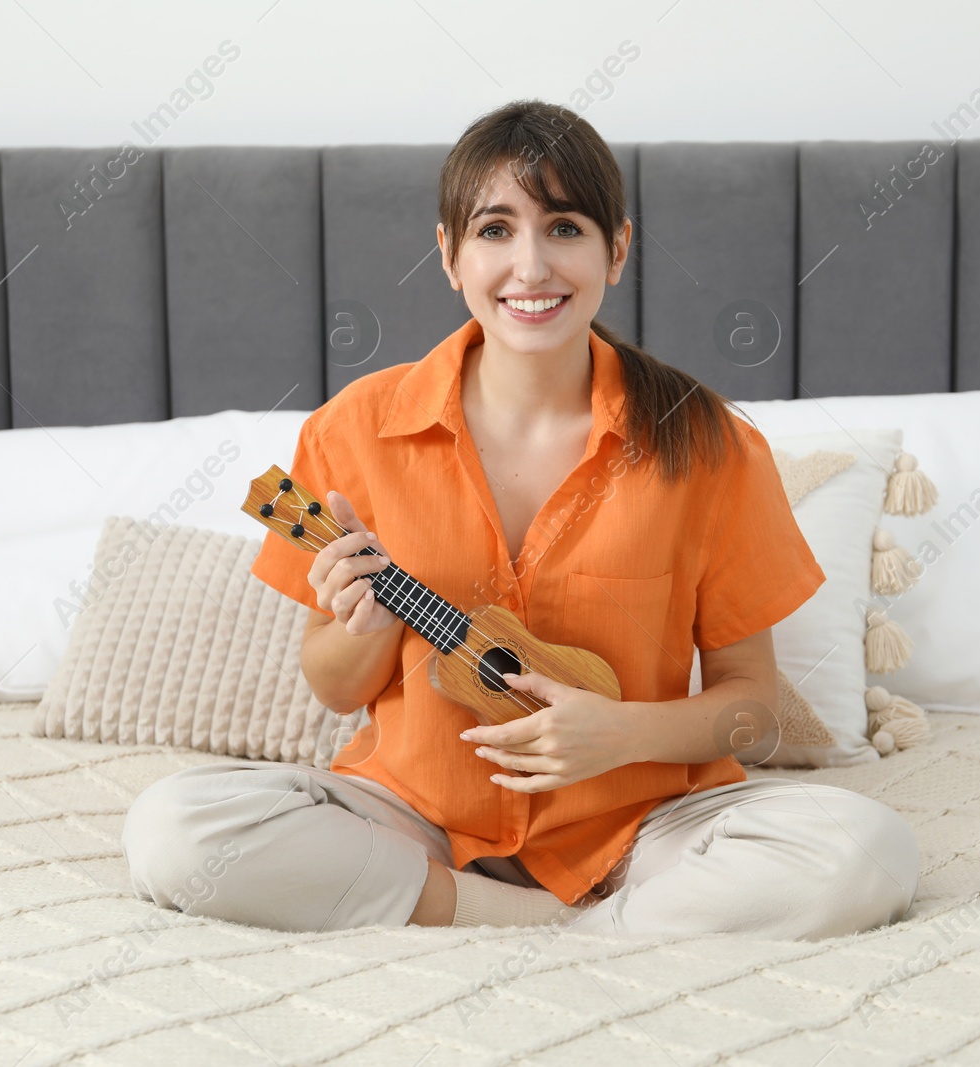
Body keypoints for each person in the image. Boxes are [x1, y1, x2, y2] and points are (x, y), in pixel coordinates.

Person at [121, 99, 919, 941]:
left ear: (616, 248)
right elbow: (334, 685)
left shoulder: (706, 443)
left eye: (564, 228)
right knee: (173, 832)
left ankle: (591, 927)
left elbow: (752, 707)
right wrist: (362, 621)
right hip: (412, 815)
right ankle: (517, 916)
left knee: (865, 852)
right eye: (495, 230)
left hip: (641, 823)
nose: (530, 266)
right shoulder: (353, 428)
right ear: (449, 255)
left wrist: (621, 733)